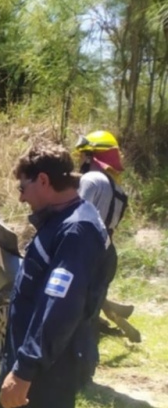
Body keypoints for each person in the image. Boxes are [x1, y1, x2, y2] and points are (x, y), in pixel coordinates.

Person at [0, 141, 124, 408]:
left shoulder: (77, 229)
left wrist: (27, 369)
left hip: (51, 362)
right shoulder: (60, 218)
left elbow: (59, 308)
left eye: (24, 186)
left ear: (44, 180)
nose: (20, 195)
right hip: (30, 353)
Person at [73, 130, 140, 343]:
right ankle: (88, 356)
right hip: (107, 254)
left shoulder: (91, 179)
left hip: (85, 249)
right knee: (90, 309)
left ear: (94, 155)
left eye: (84, 154)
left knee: (74, 308)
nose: (81, 160)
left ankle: (76, 359)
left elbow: (76, 216)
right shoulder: (120, 190)